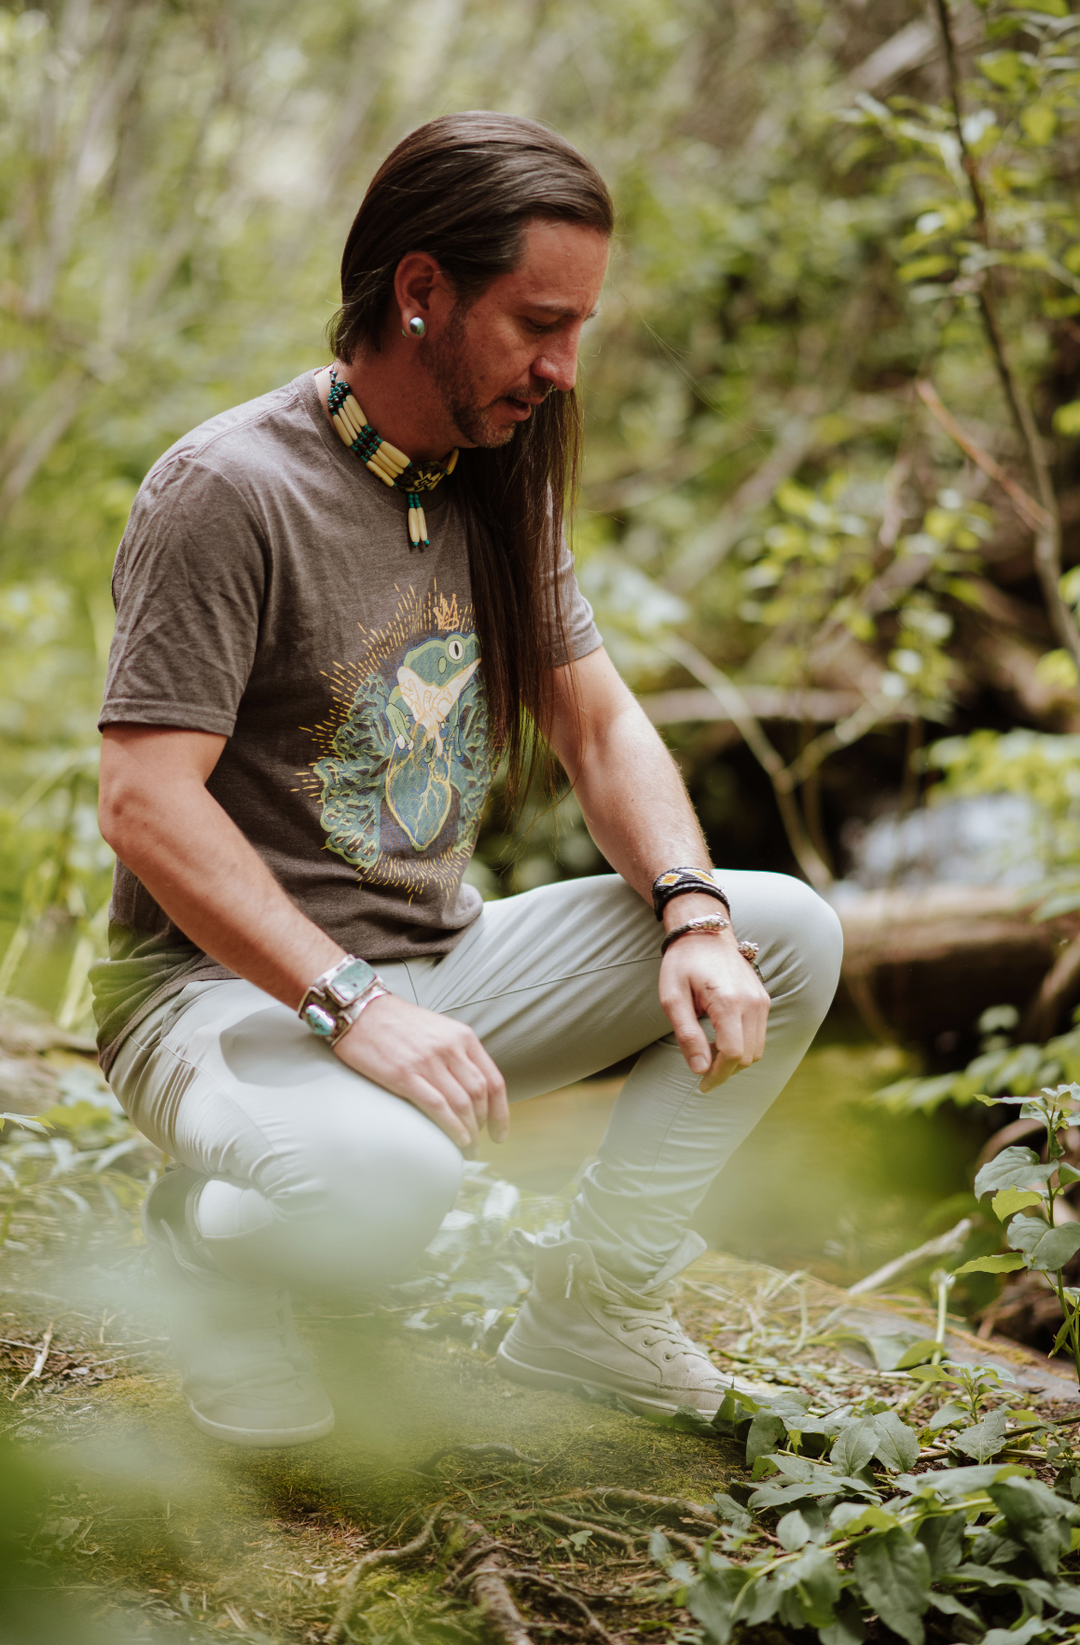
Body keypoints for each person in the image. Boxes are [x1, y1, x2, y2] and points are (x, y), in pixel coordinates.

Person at [92, 111, 843, 1449]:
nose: (563, 370)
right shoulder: (228, 489)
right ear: (422, 290)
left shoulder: (496, 477)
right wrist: (351, 1003)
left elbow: (599, 727)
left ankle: (595, 1308)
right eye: (538, 325)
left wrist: (692, 913)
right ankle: (212, 1249)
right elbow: (145, 801)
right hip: (217, 997)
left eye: (580, 331)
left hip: (442, 962)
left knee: (782, 932)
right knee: (393, 1187)